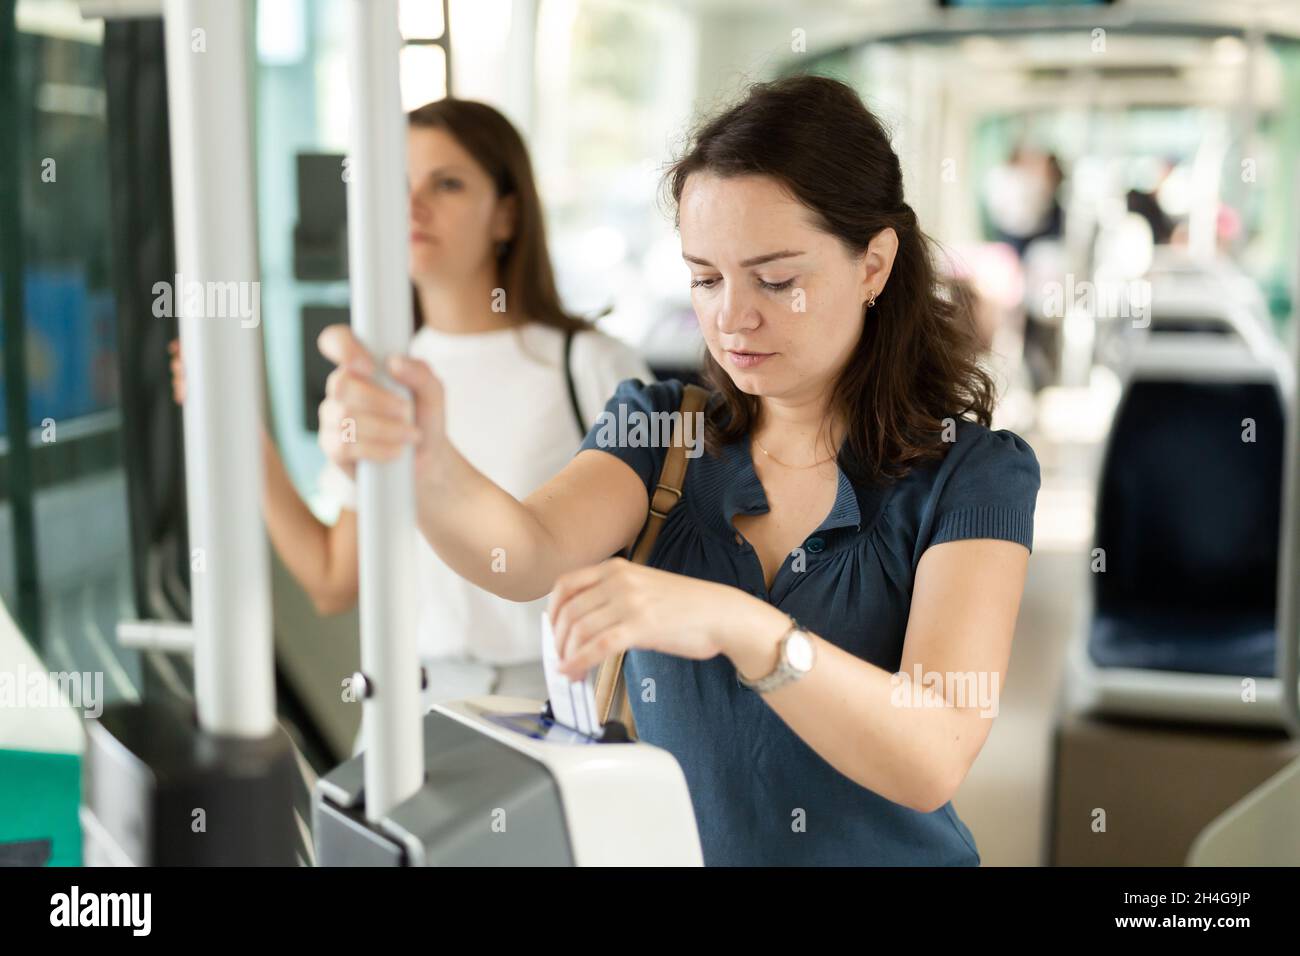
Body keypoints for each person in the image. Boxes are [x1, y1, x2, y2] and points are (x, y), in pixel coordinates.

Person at [318, 75, 1040, 866]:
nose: (733, 316)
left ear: (873, 265)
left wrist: (736, 626)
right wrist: (424, 461)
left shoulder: (972, 475)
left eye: (776, 279)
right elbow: (521, 553)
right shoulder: (663, 427)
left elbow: (933, 751)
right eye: (705, 278)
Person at [172, 97, 651, 714]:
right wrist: (237, 424)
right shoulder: (379, 376)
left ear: (506, 215)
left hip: (559, 701)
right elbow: (332, 579)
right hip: (410, 707)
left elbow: (658, 559)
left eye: (446, 184)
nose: (411, 207)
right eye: (394, 186)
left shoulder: (587, 364)